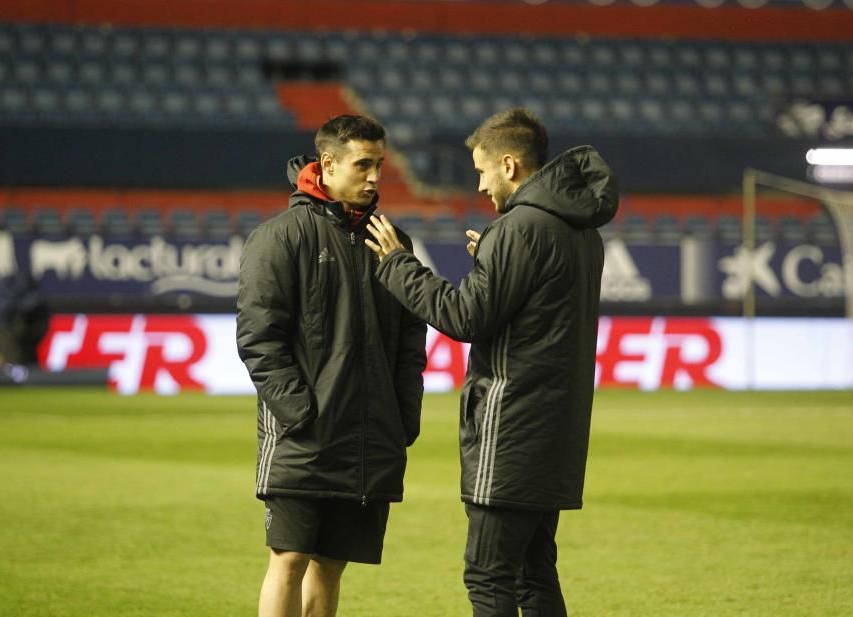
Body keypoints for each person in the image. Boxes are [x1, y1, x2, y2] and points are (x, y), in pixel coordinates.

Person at [365, 108, 618, 617]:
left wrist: (397, 265)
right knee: (535, 574)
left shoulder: (519, 229)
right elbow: (537, 302)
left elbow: (464, 317)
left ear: (509, 164)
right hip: (556, 432)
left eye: (481, 171)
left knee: (489, 575)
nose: (480, 185)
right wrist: (495, 261)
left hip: (512, 429)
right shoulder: (580, 232)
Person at [236, 114, 427, 617]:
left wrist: (403, 415)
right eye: (363, 164)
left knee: (332, 563)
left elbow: (410, 341)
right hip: (306, 435)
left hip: (369, 436)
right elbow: (259, 338)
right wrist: (301, 413)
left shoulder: (394, 242)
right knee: (290, 558)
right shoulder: (280, 237)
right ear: (327, 164)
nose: (374, 176)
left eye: (379, 165)